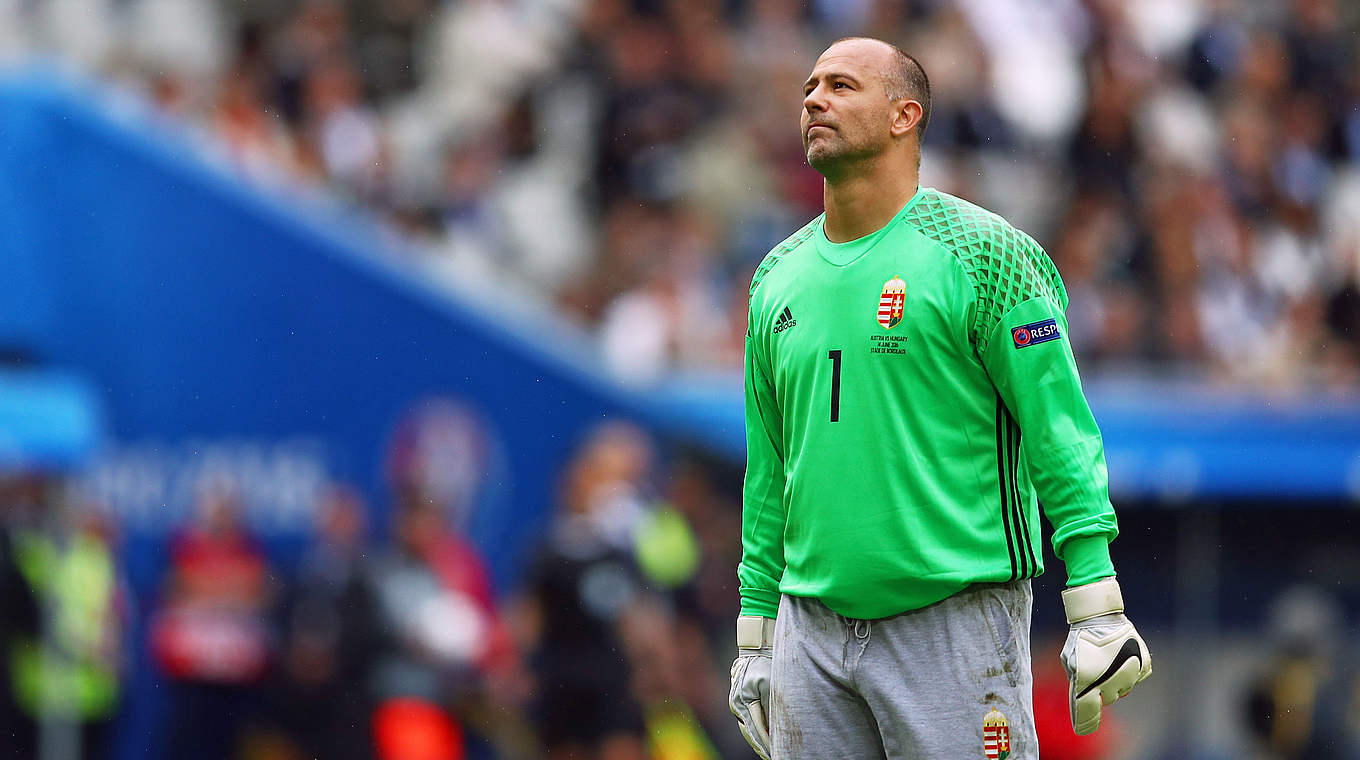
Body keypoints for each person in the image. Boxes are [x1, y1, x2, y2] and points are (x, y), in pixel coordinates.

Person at [727, 37, 1152, 759]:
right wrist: (756, 632)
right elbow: (771, 469)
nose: (813, 99)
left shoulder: (988, 256)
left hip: (953, 619)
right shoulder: (775, 279)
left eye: (841, 86)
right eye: (810, 86)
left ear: (904, 115)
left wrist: (1096, 599)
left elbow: (1059, 429)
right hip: (810, 630)